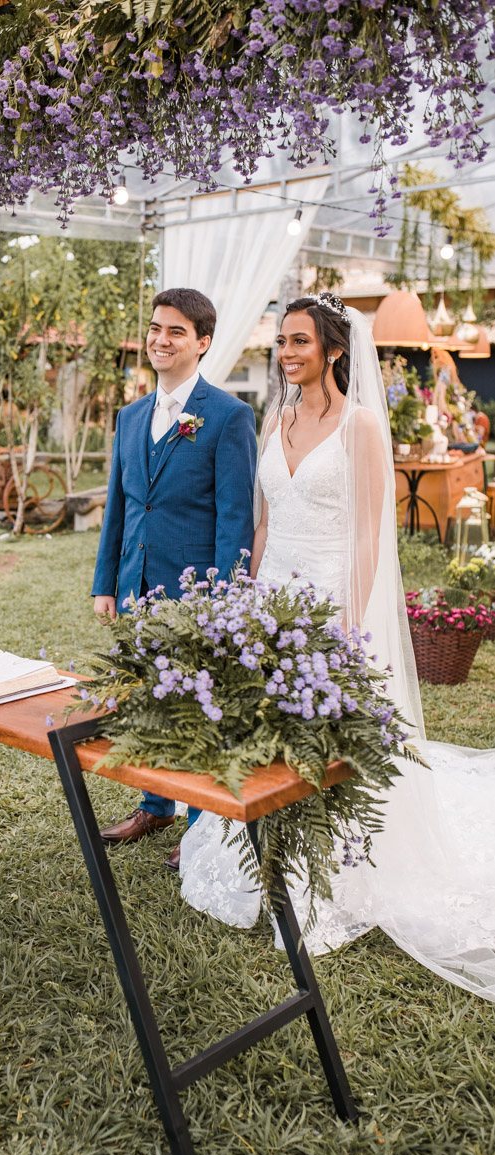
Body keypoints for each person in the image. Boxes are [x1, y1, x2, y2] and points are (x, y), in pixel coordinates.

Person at [179, 293, 495, 1002]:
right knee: (265, 733)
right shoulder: (276, 416)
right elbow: (264, 522)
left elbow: (366, 538)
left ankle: (324, 867)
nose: (287, 353)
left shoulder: (358, 429)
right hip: (272, 593)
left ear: (332, 350)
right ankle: (257, 855)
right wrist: (246, 601)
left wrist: (347, 634)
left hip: (330, 598)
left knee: (325, 742)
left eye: (299, 342)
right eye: (281, 342)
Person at [92, 288, 257, 870]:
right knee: (148, 697)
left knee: (195, 708)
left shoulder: (230, 417)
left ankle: (197, 825)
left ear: (203, 343)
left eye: (176, 332)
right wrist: (105, 582)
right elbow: (120, 504)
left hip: (194, 593)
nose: (160, 339)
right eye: (156, 328)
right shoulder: (130, 415)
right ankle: (155, 803)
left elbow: (237, 516)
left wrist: (223, 601)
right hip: (136, 585)